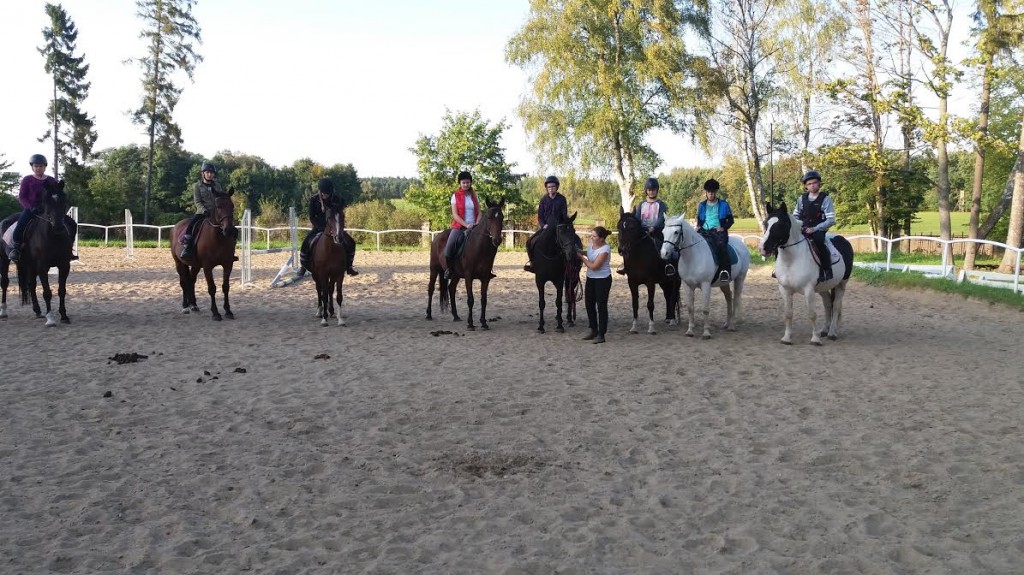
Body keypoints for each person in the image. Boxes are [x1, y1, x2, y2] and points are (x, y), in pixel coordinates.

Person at [9, 154, 78, 263]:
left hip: (50, 210)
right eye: (36, 166)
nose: (38, 168)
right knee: (21, 224)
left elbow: (56, 195)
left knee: (71, 223)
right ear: (32, 167)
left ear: (45, 167)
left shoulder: (51, 180)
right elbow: (22, 197)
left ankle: (68, 249)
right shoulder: (27, 180)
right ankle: (16, 248)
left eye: (41, 166)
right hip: (32, 209)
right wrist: (30, 207)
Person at [295, 177, 359, 278]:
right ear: (320, 191)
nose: (325, 195)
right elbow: (312, 217)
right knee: (306, 243)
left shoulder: (337, 199)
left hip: (334, 227)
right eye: (324, 193)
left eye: (327, 193)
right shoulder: (314, 199)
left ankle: (349, 266)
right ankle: (303, 266)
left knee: (351, 242)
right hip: (319, 227)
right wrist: (320, 227)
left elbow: (339, 213)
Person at [617, 177, 671, 276]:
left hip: (657, 231)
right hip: (643, 230)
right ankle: (626, 266)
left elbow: (661, 218)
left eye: (653, 190)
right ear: (646, 190)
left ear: (657, 190)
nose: (651, 192)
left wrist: (654, 227)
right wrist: (640, 228)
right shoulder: (642, 204)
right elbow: (637, 218)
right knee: (629, 245)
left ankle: (667, 265)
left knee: (662, 246)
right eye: (649, 190)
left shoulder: (661, 204)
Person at [792, 170, 836, 282]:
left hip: (818, 229)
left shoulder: (825, 199)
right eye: (809, 184)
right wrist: (798, 226)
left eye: (814, 183)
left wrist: (814, 229)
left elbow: (831, 220)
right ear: (806, 186)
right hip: (803, 228)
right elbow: (796, 215)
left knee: (819, 242)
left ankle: (826, 269)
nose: (812, 185)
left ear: (819, 183)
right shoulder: (801, 199)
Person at [179, 161, 227, 259]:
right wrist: (204, 210)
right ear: (203, 173)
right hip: (202, 213)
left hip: (216, 214)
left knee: (228, 226)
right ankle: (187, 248)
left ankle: (229, 251)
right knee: (191, 226)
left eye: (211, 173)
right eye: (207, 172)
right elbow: (197, 201)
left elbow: (220, 199)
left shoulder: (217, 186)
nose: (210, 174)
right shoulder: (197, 186)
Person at [523, 175, 568, 273]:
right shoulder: (544, 199)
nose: (551, 188)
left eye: (553, 186)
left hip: (558, 228)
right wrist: (543, 225)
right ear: (546, 188)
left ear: (557, 187)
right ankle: (533, 264)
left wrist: (562, 225)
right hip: (546, 227)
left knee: (569, 244)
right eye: (549, 187)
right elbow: (540, 215)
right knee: (530, 242)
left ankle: (568, 264)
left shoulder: (562, 199)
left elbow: (564, 214)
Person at [443, 170, 481, 280]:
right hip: (459, 226)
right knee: (449, 247)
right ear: (460, 183)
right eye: (463, 183)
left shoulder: (475, 196)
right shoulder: (455, 196)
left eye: (468, 182)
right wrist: (466, 224)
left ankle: (487, 269)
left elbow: (479, 212)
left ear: (470, 183)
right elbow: (455, 215)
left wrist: (477, 222)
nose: (466, 185)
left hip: (475, 226)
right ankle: (449, 270)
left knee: (487, 244)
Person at [696, 178, 735, 283]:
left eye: (712, 192)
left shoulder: (724, 204)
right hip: (704, 230)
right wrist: (698, 226)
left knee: (722, 246)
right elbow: (699, 219)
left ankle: (725, 271)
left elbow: (731, 220)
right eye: (709, 192)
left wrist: (723, 228)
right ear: (706, 192)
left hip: (718, 232)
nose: (710, 194)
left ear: (716, 192)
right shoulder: (702, 205)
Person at [578, 226, 612, 344]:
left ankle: (601, 334)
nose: (591, 238)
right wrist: (581, 252)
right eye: (591, 235)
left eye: (594, 236)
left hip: (602, 279)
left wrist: (581, 257)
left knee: (601, 306)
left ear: (601, 238)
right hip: (591, 278)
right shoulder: (592, 245)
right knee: (589, 304)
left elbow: (594, 266)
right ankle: (593, 330)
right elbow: (590, 253)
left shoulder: (605, 249)